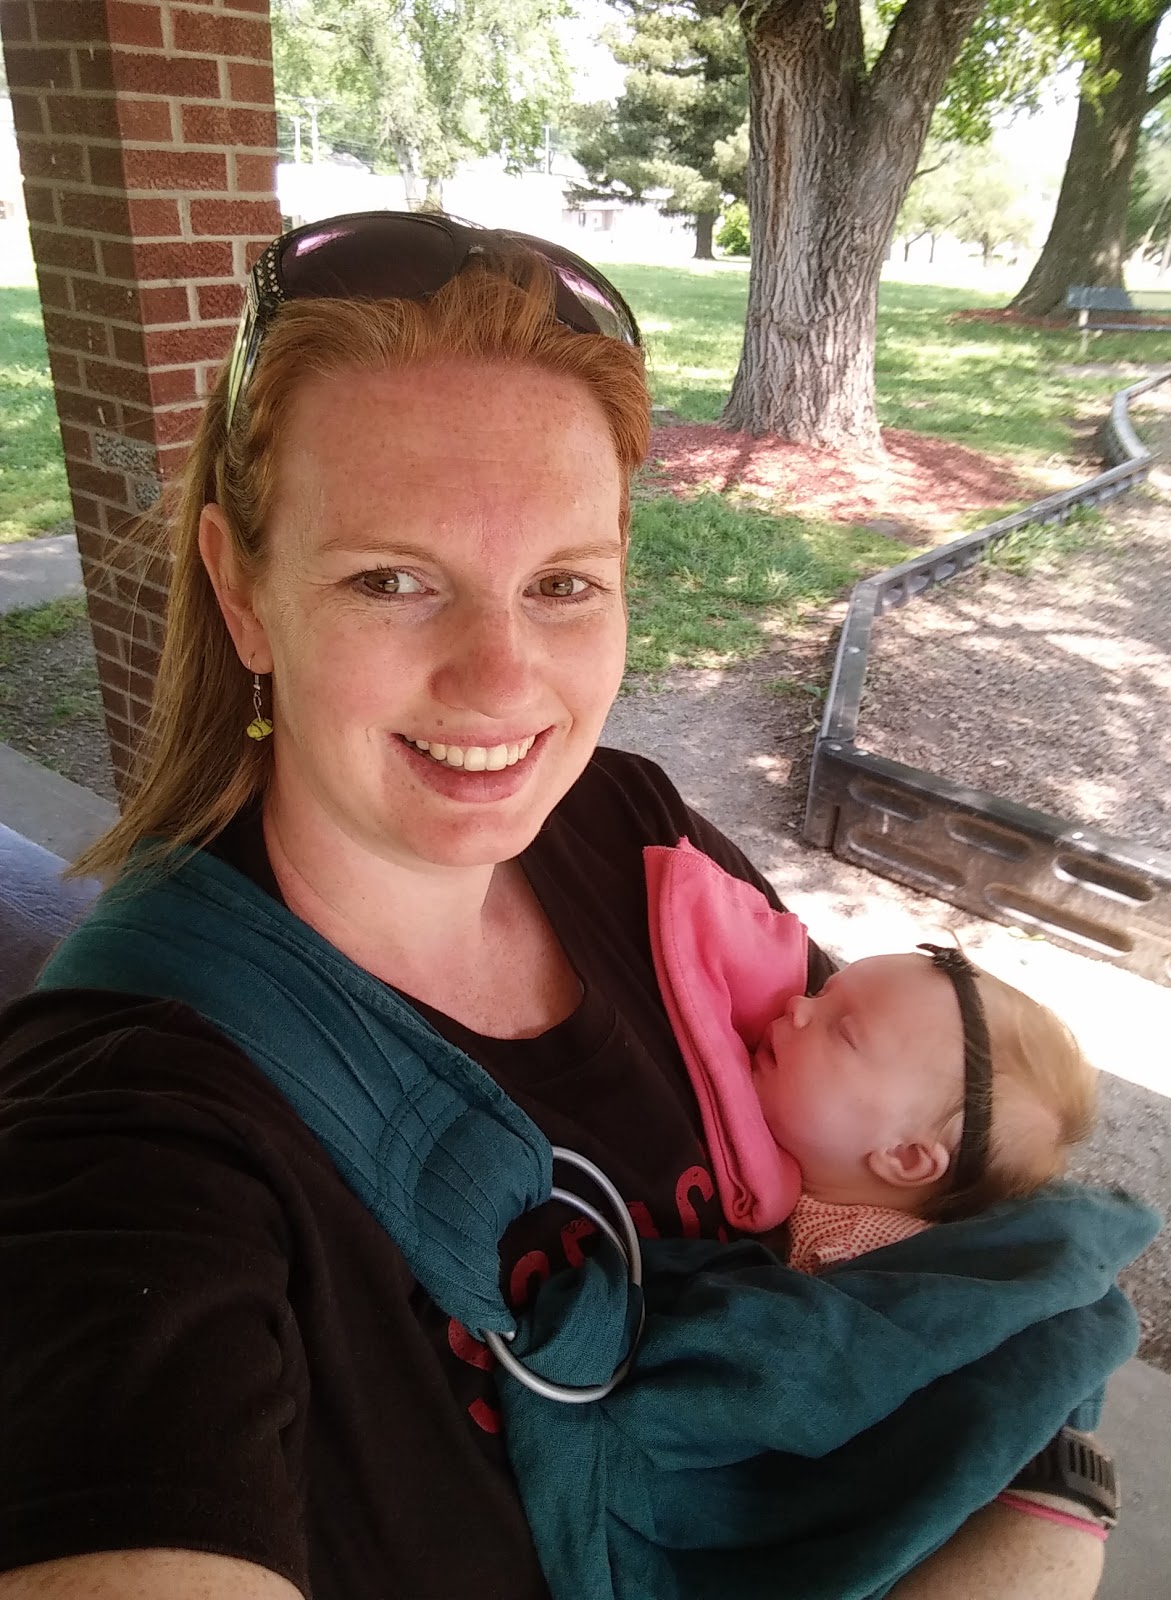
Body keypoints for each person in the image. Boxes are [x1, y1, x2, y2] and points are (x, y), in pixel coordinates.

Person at [0, 213, 1110, 1600]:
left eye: (563, 583)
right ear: (244, 593)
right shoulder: (129, 1117)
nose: (502, 682)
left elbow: (954, 1174)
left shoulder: (631, 828)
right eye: (392, 579)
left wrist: (1048, 1459)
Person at [644, 838, 1097, 1270]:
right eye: (821, 993)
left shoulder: (848, 1261)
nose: (797, 1005)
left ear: (904, 1156)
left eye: (844, 1033)